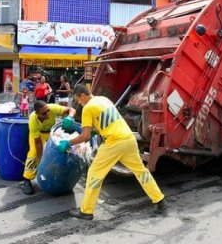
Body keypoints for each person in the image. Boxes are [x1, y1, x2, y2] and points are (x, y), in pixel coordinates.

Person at [56, 84, 166, 220]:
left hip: (114, 142)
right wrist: (92, 132)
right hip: (129, 139)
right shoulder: (103, 99)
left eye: (78, 100)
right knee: (141, 172)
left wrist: (68, 142)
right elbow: (106, 122)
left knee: (94, 173)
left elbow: (85, 136)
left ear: (83, 96)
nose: (78, 103)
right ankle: (159, 200)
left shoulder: (88, 108)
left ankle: (86, 211)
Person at [22, 100, 76, 195]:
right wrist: (40, 160)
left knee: (59, 151)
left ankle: (56, 176)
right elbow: (38, 143)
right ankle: (27, 179)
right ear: (37, 113)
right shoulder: (33, 119)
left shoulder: (52, 108)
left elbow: (71, 109)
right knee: (34, 153)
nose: (47, 113)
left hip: (51, 132)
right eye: (44, 113)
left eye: (48, 111)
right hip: (39, 135)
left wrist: (70, 116)